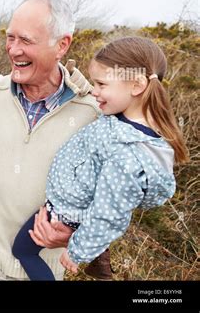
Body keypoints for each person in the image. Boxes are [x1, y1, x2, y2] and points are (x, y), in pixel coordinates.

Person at [12, 36, 189, 280]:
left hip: (65, 214)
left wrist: (78, 250)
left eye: (102, 84)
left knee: (22, 251)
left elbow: (109, 212)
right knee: (24, 251)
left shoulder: (128, 154)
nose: (95, 91)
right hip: (65, 205)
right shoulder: (123, 119)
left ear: (136, 85)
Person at [0, 0, 99, 280]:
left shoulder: (91, 114)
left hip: (42, 266)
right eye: (10, 37)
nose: (14, 50)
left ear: (62, 45)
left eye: (26, 41)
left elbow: (109, 193)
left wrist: (75, 231)